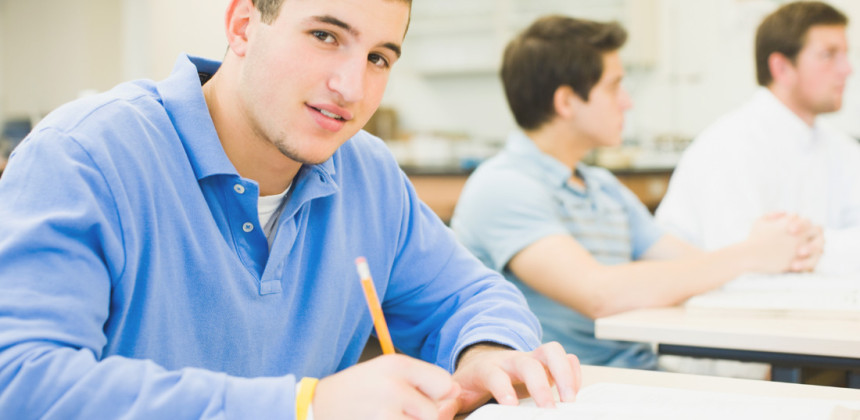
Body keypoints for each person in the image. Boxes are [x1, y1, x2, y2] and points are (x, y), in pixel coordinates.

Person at [0, 1, 582, 419]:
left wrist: (486, 350)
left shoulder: (368, 173)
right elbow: (21, 383)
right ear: (243, 25)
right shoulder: (83, 157)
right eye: (325, 35)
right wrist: (303, 406)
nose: (351, 87)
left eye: (379, 57)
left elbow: (472, 296)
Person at [450, 15, 822, 369]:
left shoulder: (602, 186)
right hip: (567, 388)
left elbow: (689, 265)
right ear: (566, 102)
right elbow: (600, 295)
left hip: (640, 372)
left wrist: (778, 250)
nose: (627, 101)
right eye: (614, 86)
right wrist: (751, 254)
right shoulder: (503, 186)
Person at [655, 1, 860, 275]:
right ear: (781, 68)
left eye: (845, 54)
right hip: (708, 310)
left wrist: (812, 246)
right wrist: (815, 248)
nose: (847, 69)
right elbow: (743, 261)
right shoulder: (730, 145)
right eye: (828, 55)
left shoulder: (840, 147)